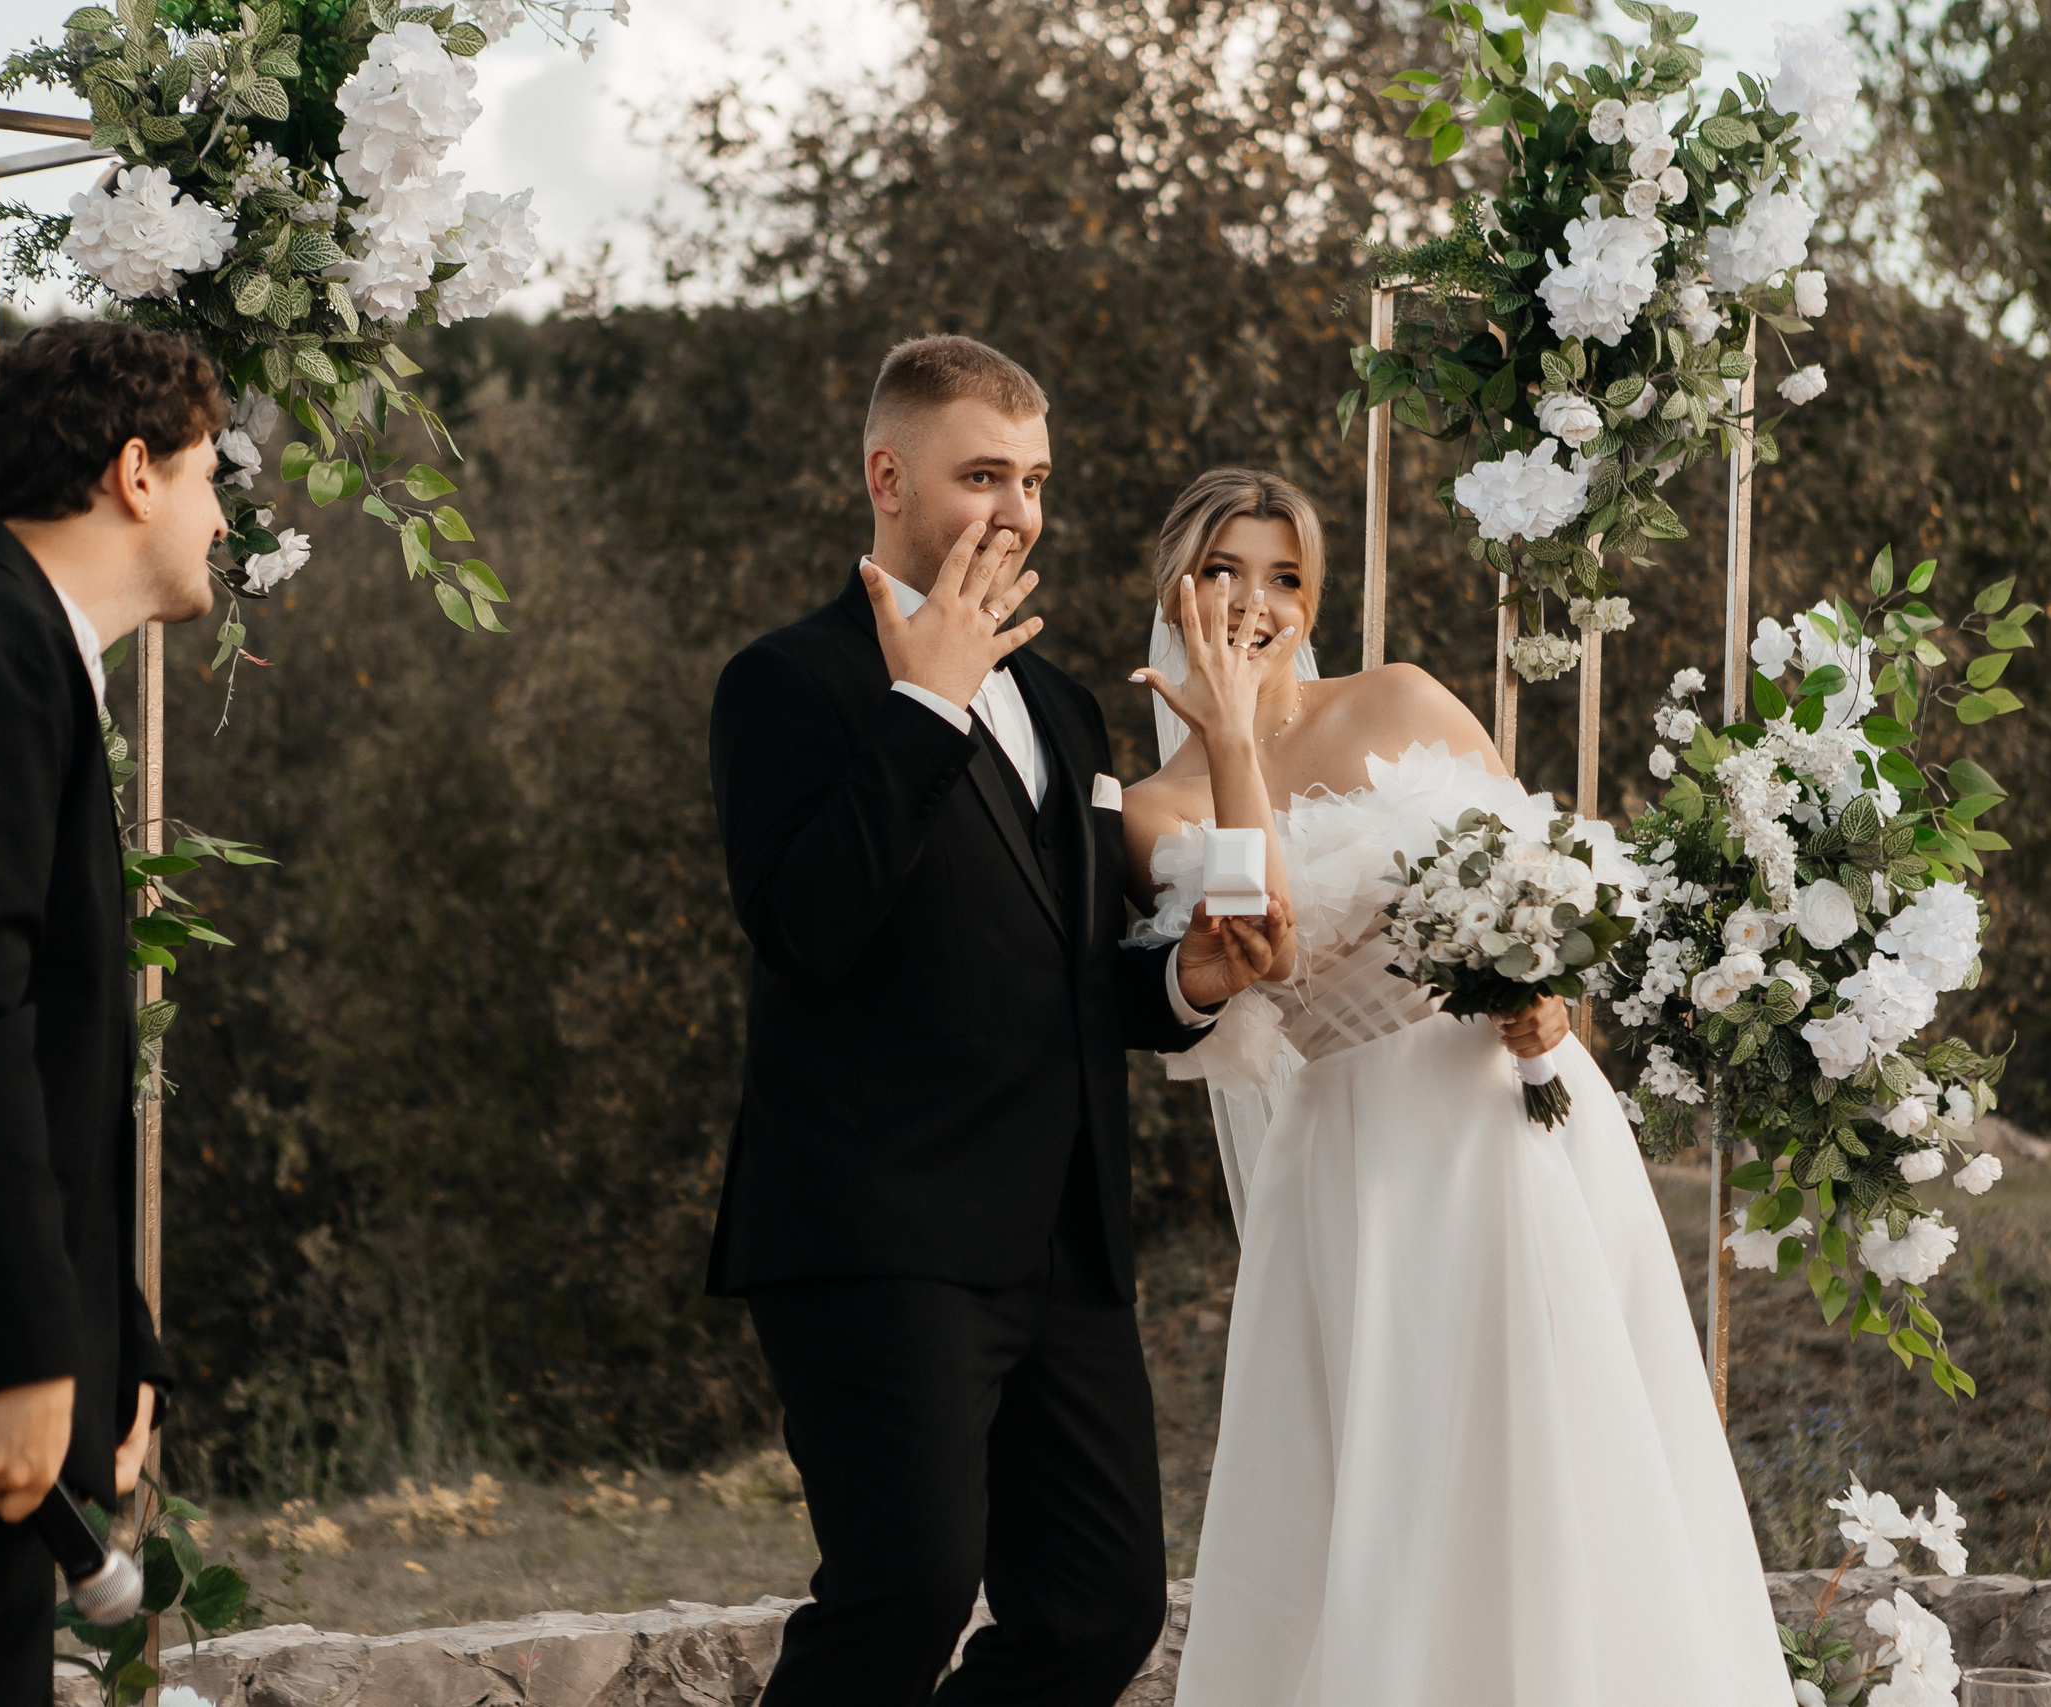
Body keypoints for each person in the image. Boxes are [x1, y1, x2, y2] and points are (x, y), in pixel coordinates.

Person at [1125, 468, 1793, 1706]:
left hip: (1508, 1112)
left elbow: (1548, 878)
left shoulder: (1400, 697)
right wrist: (1225, 737)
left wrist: (1551, 993)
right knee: (1392, 1482)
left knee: (1557, 1447)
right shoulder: (1154, 803)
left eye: (1284, 576)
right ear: (1174, 586)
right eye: (1224, 570)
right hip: (1353, 1160)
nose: (1255, 602)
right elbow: (1258, 937)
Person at [706, 335, 1290, 1707]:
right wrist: (927, 702)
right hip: (877, 1228)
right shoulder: (787, 682)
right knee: (903, 1588)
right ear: (887, 475)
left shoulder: (1063, 703)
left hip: (1061, 1242)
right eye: (982, 474)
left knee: (1097, 1610)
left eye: (1033, 478)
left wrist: (1184, 982)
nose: (1016, 509)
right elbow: (804, 925)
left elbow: (1082, 972)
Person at [0, 320, 225, 1703]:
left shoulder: (9, 634)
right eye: (216, 473)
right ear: (136, 470)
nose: (225, 514)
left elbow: (47, 1055)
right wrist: (25, 1350)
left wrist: (116, 1343)